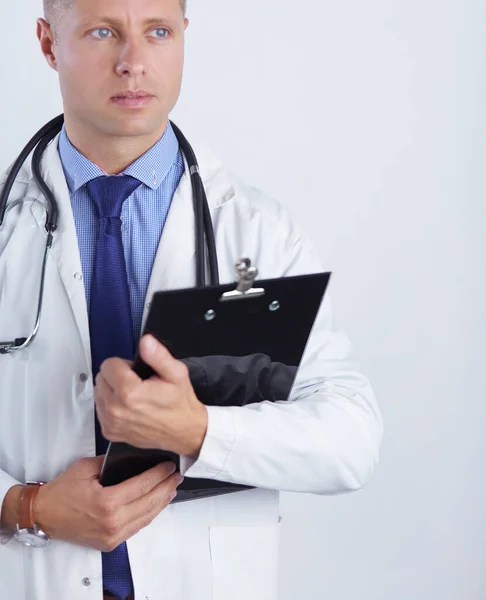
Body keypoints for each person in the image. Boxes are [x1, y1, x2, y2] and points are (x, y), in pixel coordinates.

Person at [0, 0, 383, 598]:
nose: (133, 62)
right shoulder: (6, 232)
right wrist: (26, 507)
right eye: (103, 32)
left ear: (183, 37)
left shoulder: (259, 233)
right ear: (49, 44)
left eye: (157, 31)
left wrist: (200, 430)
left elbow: (351, 442)